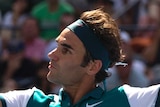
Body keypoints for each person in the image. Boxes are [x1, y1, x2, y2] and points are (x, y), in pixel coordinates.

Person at [0, 8, 160, 107]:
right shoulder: (29, 102)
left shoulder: (127, 101)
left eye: (66, 50)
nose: (51, 55)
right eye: (57, 46)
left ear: (93, 66)